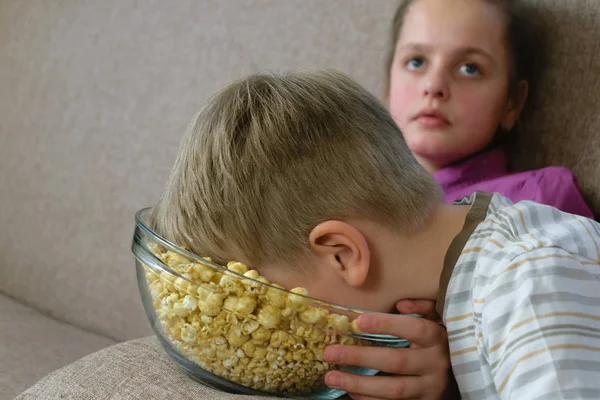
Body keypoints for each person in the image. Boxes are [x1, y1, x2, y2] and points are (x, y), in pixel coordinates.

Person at [149, 69, 600, 399]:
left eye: (266, 302)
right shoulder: (463, 278)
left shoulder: (530, 285)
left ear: (343, 254)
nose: (260, 336)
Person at [384, 0, 594, 219]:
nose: (433, 85)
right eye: (416, 62)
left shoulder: (537, 199)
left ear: (512, 101)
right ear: (388, 84)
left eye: (469, 68)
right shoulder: (353, 192)